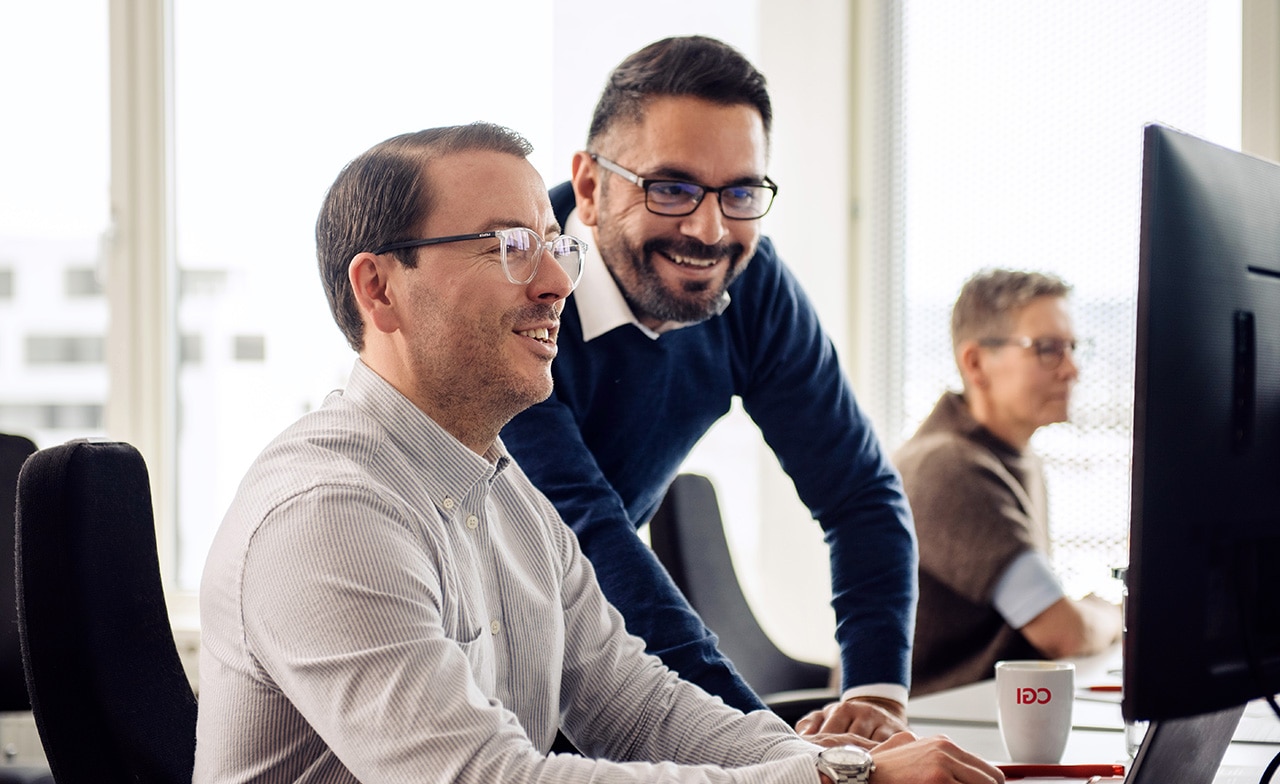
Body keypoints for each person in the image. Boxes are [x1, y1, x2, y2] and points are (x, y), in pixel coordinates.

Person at [194, 123, 1003, 784]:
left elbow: (641, 707)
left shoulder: (510, 497)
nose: (556, 280)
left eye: (555, 247)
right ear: (379, 288)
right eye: (510, 246)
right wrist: (836, 782)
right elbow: (485, 779)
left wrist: (840, 765)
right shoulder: (328, 512)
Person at [500, 35, 916, 740]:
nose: (709, 230)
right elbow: (589, 539)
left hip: (586, 651)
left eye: (741, 193)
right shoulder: (516, 294)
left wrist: (876, 701)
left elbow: (859, 496)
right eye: (671, 188)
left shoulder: (751, 287)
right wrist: (785, 757)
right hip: (457, 657)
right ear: (592, 189)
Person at [893, 269, 1123, 697]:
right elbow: (1062, 633)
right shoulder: (948, 469)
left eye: (1072, 348)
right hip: (928, 723)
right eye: (1048, 349)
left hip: (984, 710)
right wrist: (1114, 613)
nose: (1072, 369)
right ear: (976, 363)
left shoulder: (1014, 457)